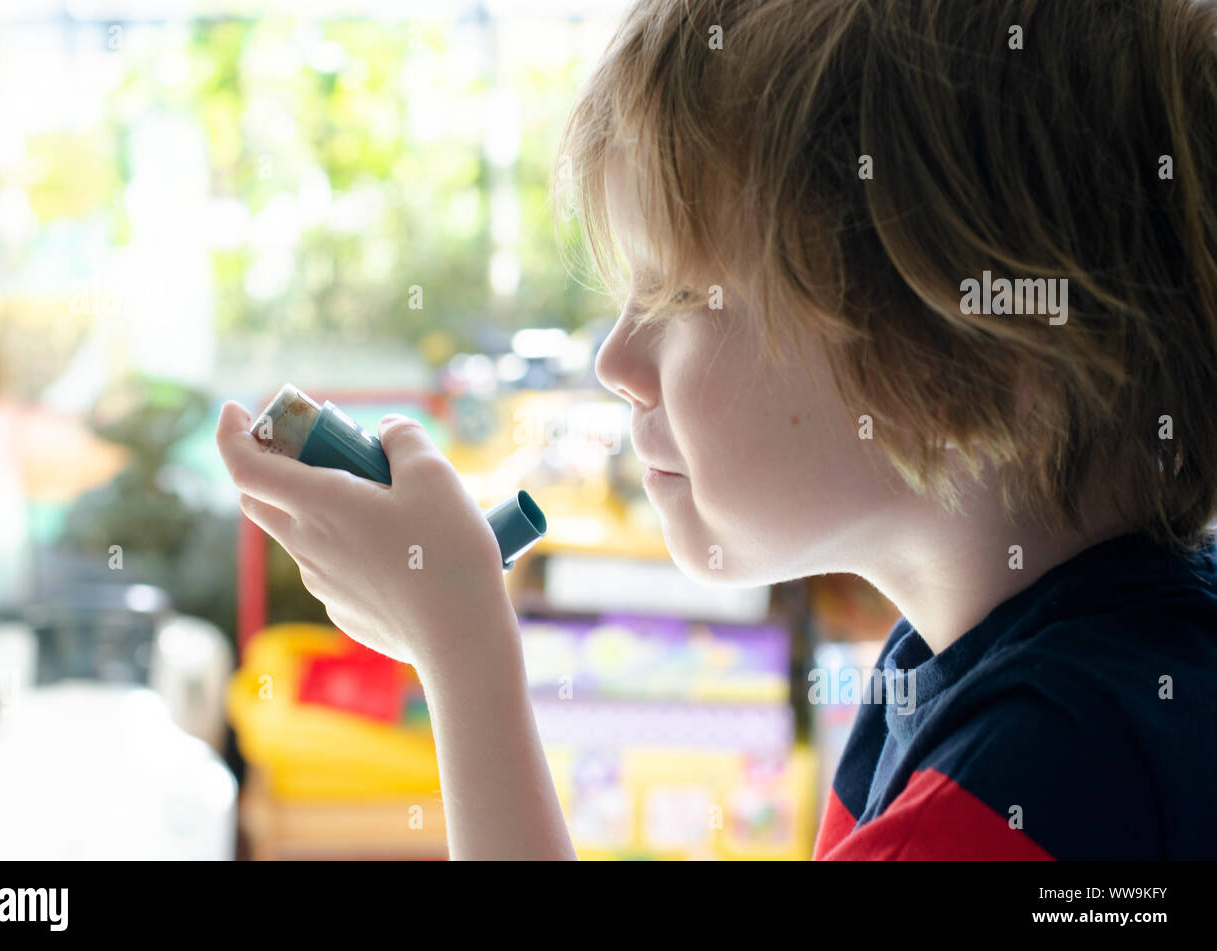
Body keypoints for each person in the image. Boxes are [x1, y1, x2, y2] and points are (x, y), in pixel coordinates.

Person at [216, 0, 1217, 859]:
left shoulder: (1028, 791)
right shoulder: (992, 672)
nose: (614, 361)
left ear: (969, 364)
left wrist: (462, 650)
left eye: (689, 294)